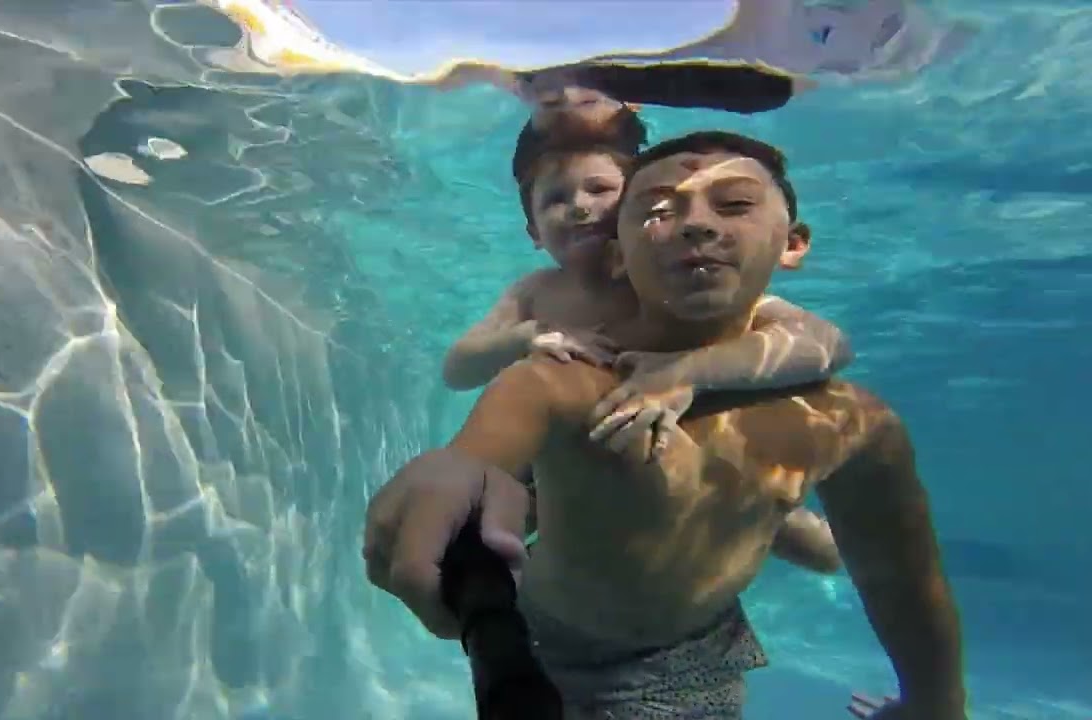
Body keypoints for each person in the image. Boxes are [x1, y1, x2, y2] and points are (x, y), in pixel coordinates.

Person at [365, 131, 965, 719]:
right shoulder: (566, 378)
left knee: (793, 528)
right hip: (541, 642)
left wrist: (938, 705)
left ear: (793, 244)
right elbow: (479, 448)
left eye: (733, 204)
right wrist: (457, 473)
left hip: (695, 659)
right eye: (657, 210)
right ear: (619, 256)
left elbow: (904, 583)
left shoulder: (849, 419)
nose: (697, 224)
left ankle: (777, 516)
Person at [444, 132, 851, 572]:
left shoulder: (666, 283)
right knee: (498, 516)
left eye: (600, 190)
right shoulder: (535, 293)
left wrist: (688, 371)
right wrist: (525, 337)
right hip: (573, 442)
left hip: (685, 435)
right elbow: (458, 367)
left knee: (797, 533)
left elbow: (824, 341)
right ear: (534, 232)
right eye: (556, 200)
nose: (580, 206)